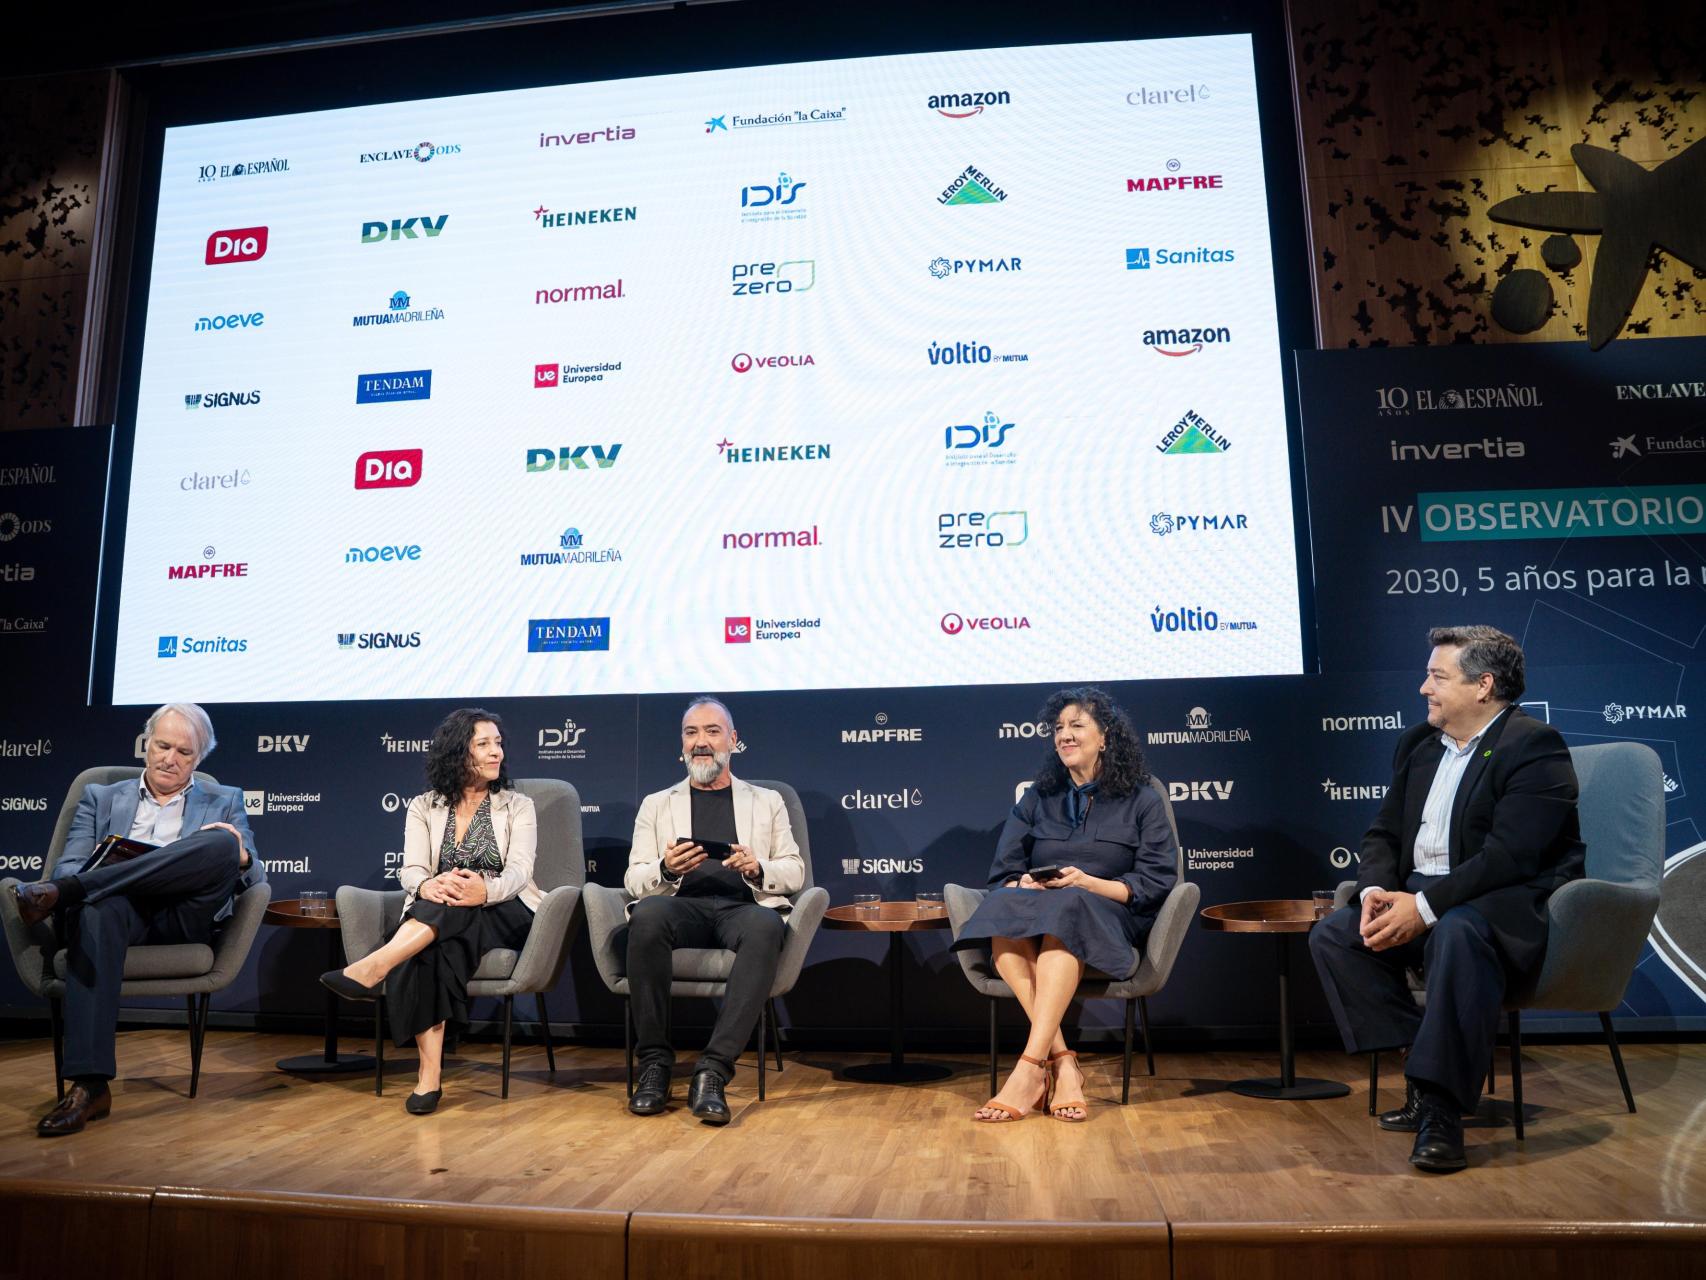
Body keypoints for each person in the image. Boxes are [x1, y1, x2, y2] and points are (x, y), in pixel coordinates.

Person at [1308, 626, 1584, 1173]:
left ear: (1483, 686)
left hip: (1497, 906)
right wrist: (1375, 892)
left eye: (1437, 676)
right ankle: (1428, 1063)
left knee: (1456, 930)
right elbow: (1383, 833)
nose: (1423, 688)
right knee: (1335, 937)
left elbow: (1510, 858)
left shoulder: (1533, 746)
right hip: (1422, 899)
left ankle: (1441, 1110)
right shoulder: (1417, 745)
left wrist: (1425, 908)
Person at [6, 703, 263, 1136]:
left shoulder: (224, 799)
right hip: (117, 911)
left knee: (220, 844)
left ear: (198, 759)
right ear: (147, 743)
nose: (170, 758)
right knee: (95, 907)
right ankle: (89, 1086)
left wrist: (236, 853)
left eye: (184, 752)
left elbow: (254, 873)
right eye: (163, 745)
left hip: (182, 915)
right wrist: (93, 880)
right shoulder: (102, 797)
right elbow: (67, 868)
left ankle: (73, 897)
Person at [951, 686, 1178, 1122]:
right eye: (1059, 728)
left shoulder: (1142, 799)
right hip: (1039, 911)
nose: (1065, 736)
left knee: (1070, 906)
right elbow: (1003, 872)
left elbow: (1155, 881)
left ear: (1105, 736)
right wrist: (1026, 883)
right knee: (1003, 908)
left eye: (1077, 726)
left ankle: (1027, 1070)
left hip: (1110, 916)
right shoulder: (1038, 797)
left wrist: (1091, 883)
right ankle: (1061, 1063)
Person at [321, 708, 539, 1115]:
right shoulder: (425, 806)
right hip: (440, 907)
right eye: (484, 744)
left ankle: (376, 966)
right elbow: (413, 868)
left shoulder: (517, 805)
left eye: (499, 743)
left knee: (443, 916)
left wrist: (483, 890)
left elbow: (520, 872)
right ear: (459, 752)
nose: (497, 753)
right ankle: (430, 1075)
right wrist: (427, 885)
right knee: (434, 948)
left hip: (505, 908)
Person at [622, 696, 803, 1124]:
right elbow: (633, 878)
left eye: (712, 731)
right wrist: (666, 869)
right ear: (682, 745)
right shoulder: (657, 803)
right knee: (646, 917)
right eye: (691, 733)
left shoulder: (768, 800)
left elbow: (794, 869)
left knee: (765, 928)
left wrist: (758, 868)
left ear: (733, 741)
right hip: (680, 906)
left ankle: (714, 1071)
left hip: (743, 907)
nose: (700, 742)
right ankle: (653, 1065)